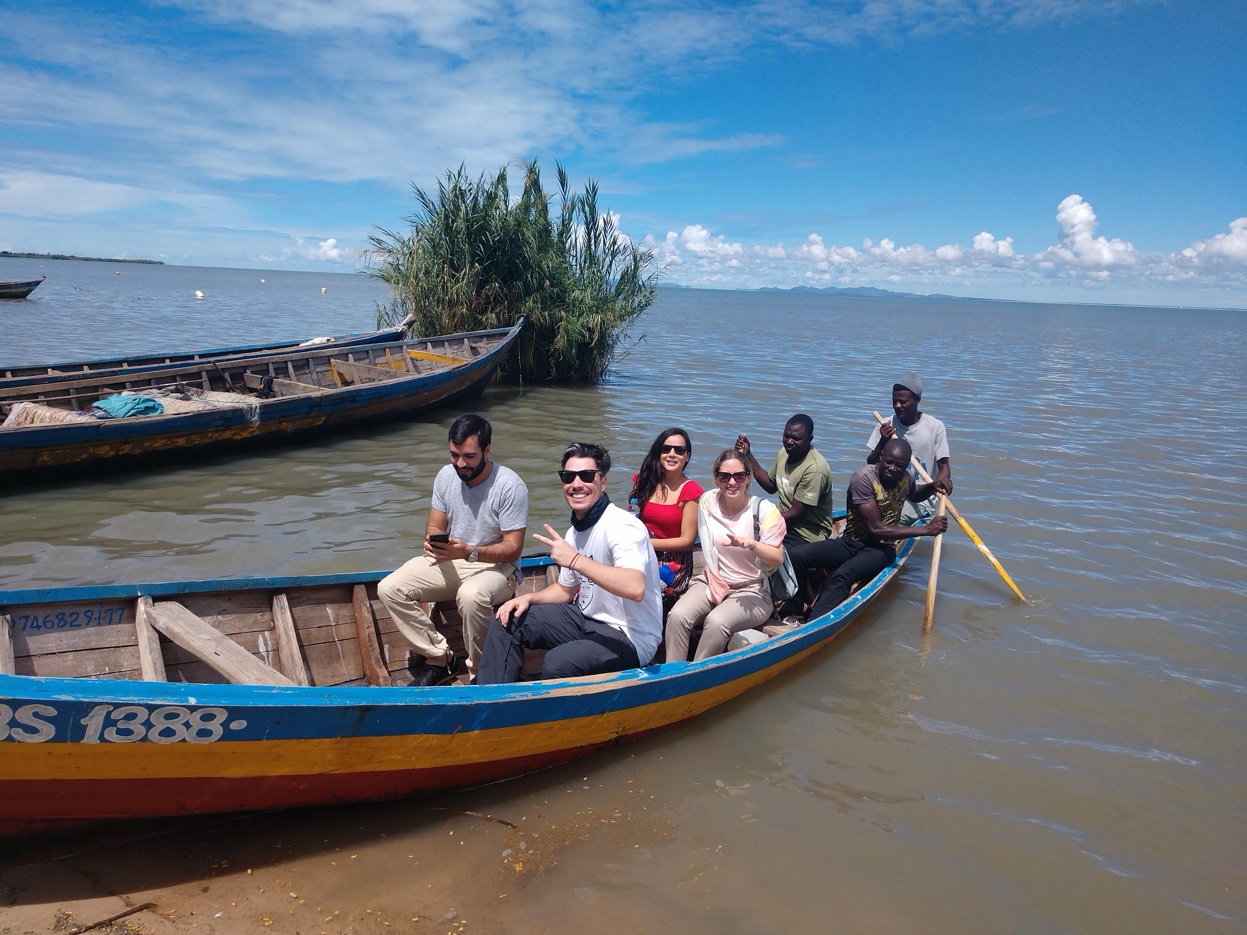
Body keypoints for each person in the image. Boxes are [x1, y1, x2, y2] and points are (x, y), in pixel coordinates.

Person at [476, 442, 663, 684]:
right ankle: (493, 702)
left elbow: (635, 588)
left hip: (630, 636)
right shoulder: (574, 533)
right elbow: (565, 590)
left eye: (586, 476)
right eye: (568, 476)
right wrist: (527, 598)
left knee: (559, 662)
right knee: (507, 619)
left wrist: (575, 560)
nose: (576, 484)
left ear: (602, 481)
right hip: (587, 620)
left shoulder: (622, 526)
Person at [377, 414, 529, 686]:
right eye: (454, 455)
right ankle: (440, 658)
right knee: (389, 588)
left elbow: (513, 548)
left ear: (486, 450)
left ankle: (482, 672)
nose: (460, 463)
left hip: (498, 568)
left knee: (471, 596)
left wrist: (470, 552)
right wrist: (431, 541)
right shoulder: (446, 476)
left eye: (469, 456)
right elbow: (434, 525)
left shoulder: (509, 485)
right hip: (453, 557)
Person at [793, 438, 948, 622]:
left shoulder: (906, 477)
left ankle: (812, 624)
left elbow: (914, 495)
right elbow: (875, 528)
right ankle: (792, 612)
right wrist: (926, 530)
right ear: (881, 457)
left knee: (844, 574)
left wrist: (933, 486)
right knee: (796, 556)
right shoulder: (863, 478)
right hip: (852, 542)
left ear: (906, 465)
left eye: (899, 465)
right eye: (888, 462)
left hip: (881, 548)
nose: (892, 468)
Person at [665, 450, 787, 662]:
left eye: (739, 476)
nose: (732, 482)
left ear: (748, 478)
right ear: (715, 478)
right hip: (712, 581)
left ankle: (697, 676)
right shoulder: (707, 502)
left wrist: (752, 544)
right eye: (724, 476)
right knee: (677, 616)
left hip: (753, 590)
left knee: (716, 622)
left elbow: (777, 558)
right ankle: (671, 673)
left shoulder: (764, 510)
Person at [735, 414, 833, 547]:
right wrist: (747, 455)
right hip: (783, 521)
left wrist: (764, 520)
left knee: (766, 553)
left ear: (810, 439)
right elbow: (770, 485)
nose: (789, 441)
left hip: (807, 532)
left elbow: (796, 513)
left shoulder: (814, 469)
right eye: (786, 436)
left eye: (796, 438)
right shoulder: (785, 453)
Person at [629, 428, 703, 601]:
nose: (672, 454)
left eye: (679, 450)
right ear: (658, 452)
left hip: (672, 563)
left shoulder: (691, 491)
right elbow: (633, 516)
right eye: (666, 449)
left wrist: (647, 542)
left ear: (687, 456)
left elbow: (687, 542)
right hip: (641, 551)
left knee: (637, 586)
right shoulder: (644, 480)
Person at [866, 373, 952, 522]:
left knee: (886, 520)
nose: (897, 406)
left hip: (919, 499)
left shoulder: (935, 427)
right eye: (894, 401)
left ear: (917, 400)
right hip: (887, 492)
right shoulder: (885, 424)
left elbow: (944, 467)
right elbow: (871, 464)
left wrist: (938, 486)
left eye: (903, 402)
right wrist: (882, 441)